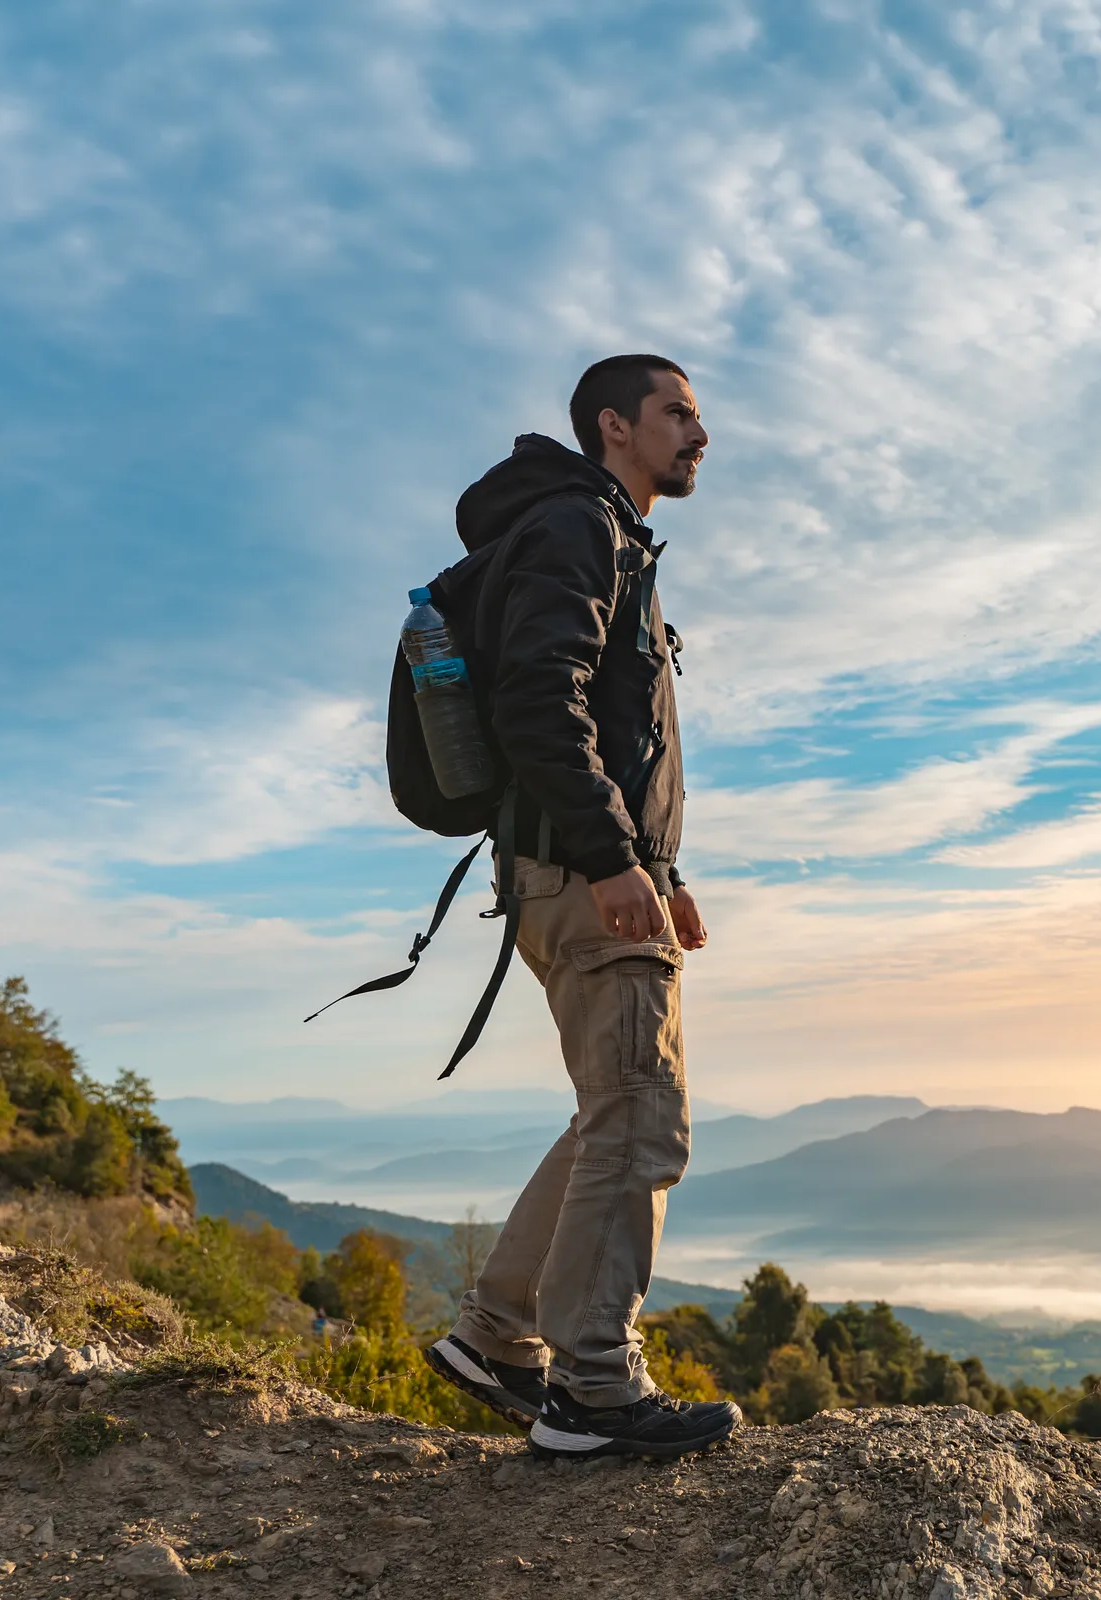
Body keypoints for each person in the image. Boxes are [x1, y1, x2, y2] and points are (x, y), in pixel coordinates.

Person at [422, 354, 742, 1460]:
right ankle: (593, 1390)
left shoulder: (596, 533)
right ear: (615, 426)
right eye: (679, 414)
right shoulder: (578, 530)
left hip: (583, 870)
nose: (700, 434)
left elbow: (612, 729)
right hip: (581, 872)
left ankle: (499, 1338)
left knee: (611, 1113)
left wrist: (660, 866)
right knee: (643, 1122)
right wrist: (616, 860)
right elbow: (538, 700)